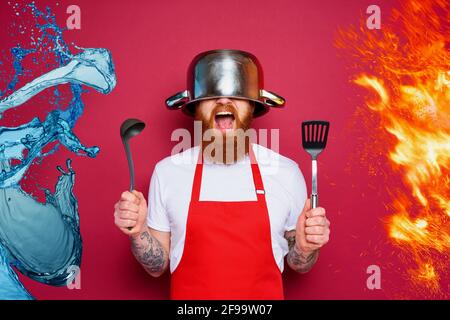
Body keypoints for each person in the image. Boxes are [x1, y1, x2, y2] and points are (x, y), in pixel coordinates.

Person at [114, 49, 330, 299]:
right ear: (195, 108)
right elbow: (157, 267)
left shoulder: (286, 172)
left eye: (236, 94)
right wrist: (138, 232)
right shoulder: (167, 172)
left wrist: (306, 246)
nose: (223, 102)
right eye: (212, 94)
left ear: (252, 106)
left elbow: (299, 264)